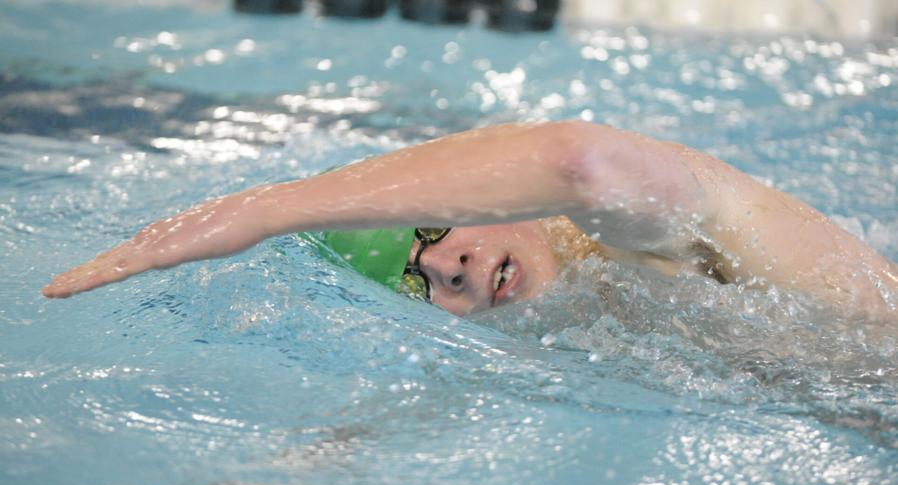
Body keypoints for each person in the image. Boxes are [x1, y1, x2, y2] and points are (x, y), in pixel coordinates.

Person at [41, 121, 897, 318]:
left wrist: (267, 209)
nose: (442, 266)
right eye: (415, 280)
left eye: (430, 231)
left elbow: (582, 164)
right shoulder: (584, 330)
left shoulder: (659, 239)